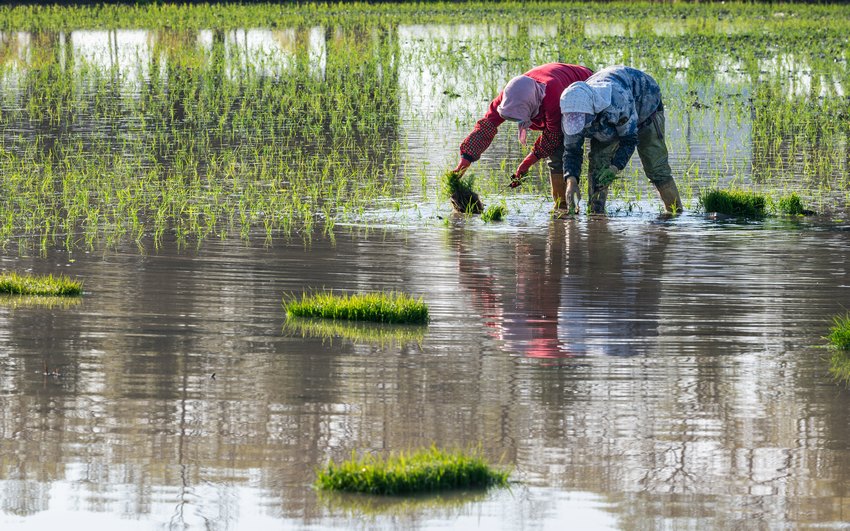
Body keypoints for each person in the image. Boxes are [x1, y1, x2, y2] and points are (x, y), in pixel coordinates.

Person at [453, 63, 593, 211]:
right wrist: (464, 162)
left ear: (530, 106)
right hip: (552, 91)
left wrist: (525, 164)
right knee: (555, 149)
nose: (518, 123)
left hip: (585, 87)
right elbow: (486, 127)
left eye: (519, 119)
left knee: (559, 151)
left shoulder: (551, 95)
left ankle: (568, 207)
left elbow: (553, 136)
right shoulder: (510, 96)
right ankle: (562, 208)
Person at [558, 65, 683, 214]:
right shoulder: (572, 114)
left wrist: (614, 167)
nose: (581, 126)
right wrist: (571, 181)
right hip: (607, 119)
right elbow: (572, 151)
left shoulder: (617, 102)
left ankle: (675, 214)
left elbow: (629, 141)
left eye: (584, 121)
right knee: (598, 166)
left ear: (592, 111)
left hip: (645, 105)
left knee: (656, 168)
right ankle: (596, 216)